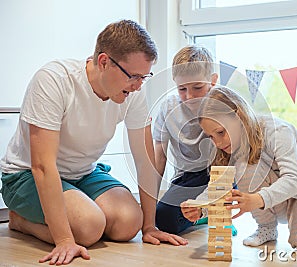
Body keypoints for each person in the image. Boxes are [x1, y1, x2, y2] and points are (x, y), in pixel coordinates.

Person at [0, 20, 186, 266]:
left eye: (144, 76)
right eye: (133, 76)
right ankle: (20, 220)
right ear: (104, 61)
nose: (139, 85)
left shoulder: (133, 92)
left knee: (130, 223)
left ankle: (82, 212)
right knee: (88, 228)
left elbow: (145, 160)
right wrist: (65, 238)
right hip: (26, 176)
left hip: (83, 172)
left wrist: (149, 227)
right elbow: (42, 166)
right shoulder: (55, 80)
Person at [181, 86, 297, 251]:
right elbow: (218, 185)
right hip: (274, 200)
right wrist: (200, 207)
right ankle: (267, 228)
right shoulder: (227, 147)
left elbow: (293, 180)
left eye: (220, 132)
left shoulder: (277, 131)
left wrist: (257, 199)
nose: (218, 142)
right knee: (245, 165)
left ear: (239, 116)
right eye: (211, 137)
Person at [152, 45, 218, 234]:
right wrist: (151, 201)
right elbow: (160, 156)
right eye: (182, 89)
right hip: (188, 177)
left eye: (198, 87)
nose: (189, 97)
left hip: (221, 171)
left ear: (212, 81)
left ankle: (216, 211)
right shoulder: (168, 108)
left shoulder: (222, 103)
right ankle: (203, 216)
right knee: (163, 219)